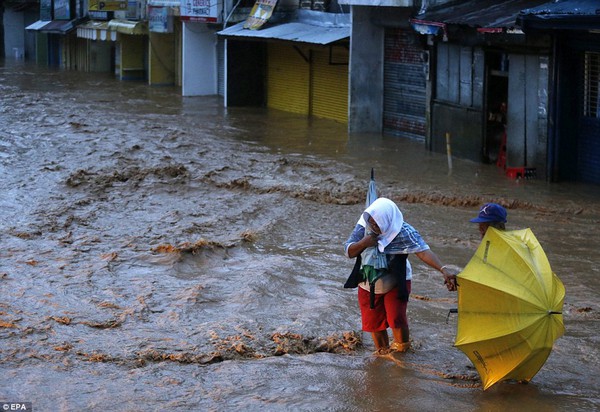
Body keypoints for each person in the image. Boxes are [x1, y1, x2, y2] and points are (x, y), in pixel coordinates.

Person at [343, 197, 458, 354]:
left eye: (378, 223)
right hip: (368, 283)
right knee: (374, 323)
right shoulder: (364, 226)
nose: (374, 226)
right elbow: (349, 251)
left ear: (388, 220)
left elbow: (423, 251)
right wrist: (364, 243)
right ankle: (383, 354)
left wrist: (443, 269)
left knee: (396, 319)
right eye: (371, 222)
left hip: (396, 281)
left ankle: (402, 350)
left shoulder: (403, 231)